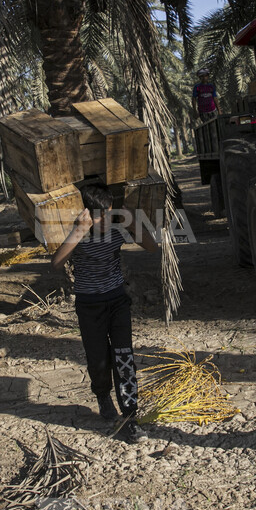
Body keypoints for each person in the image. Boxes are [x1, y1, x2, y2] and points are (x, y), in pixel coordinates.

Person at [51, 184, 159, 443]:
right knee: (98, 359)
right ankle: (102, 395)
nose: (104, 220)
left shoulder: (117, 229)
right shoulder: (78, 232)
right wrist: (78, 231)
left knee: (124, 357)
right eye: (98, 215)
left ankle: (130, 416)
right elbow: (56, 263)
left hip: (117, 301)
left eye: (108, 213)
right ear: (86, 214)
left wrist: (132, 224)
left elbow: (153, 247)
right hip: (89, 306)